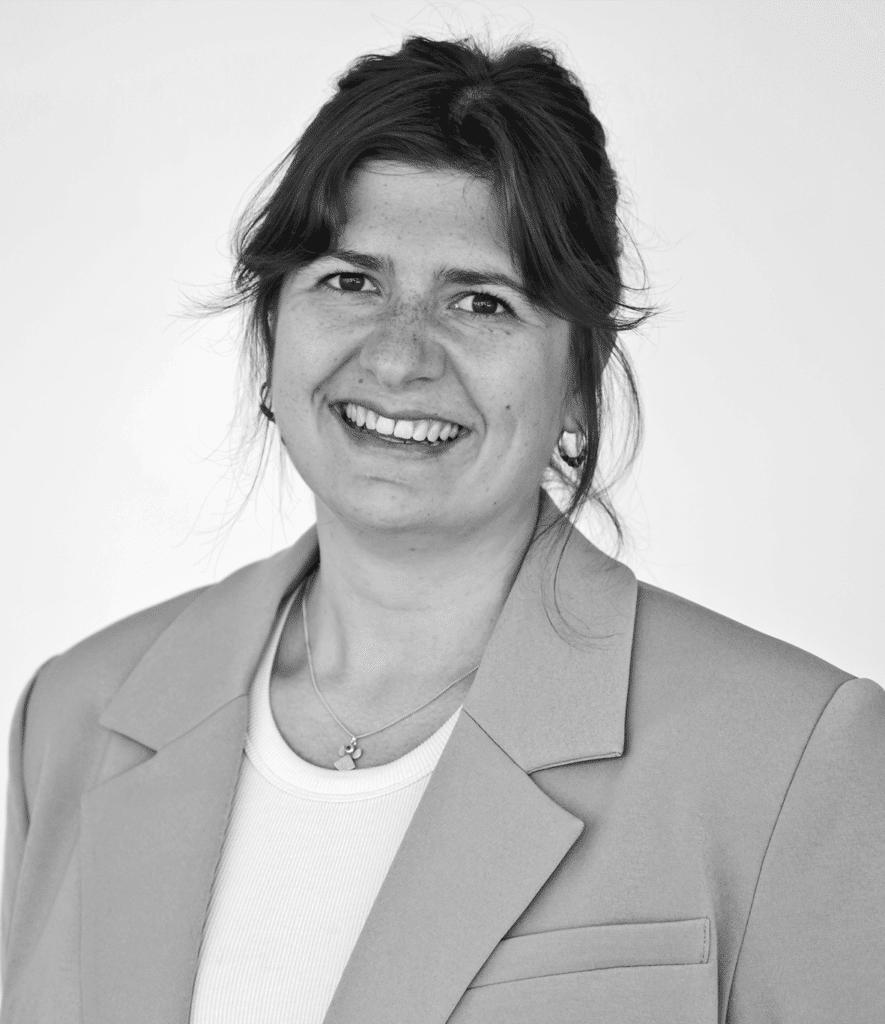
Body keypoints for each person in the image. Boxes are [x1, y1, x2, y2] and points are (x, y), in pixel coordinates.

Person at [2, 31, 882, 1024]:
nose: (401, 355)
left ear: (579, 386)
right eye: (350, 281)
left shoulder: (794, 756)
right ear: (272, 330)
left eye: (481, 300)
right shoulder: (74, 717)